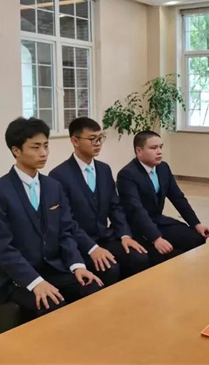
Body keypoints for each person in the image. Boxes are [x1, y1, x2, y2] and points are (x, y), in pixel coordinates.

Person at [0, 117, 103, 318]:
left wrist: (77, 265)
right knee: (52, 303)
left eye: (46, 146)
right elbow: (4, 247)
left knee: (92, 287)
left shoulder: (53, 186)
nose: (44, 153)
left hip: (53, 267)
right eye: (35, 147)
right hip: (18, 277)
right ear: (16, 150)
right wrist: (36, 282)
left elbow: (65, 232)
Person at [49, 117, 152, 285]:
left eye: (100, 138)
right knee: (109, 268)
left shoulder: (104, 169)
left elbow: (115, 207)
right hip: (80, 244)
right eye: (92, 139)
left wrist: (125, 235)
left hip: (106, 238)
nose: (98, 143)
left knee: (139, 257)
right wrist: (92, 248)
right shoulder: (59, 176)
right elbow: (67, 221)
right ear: (75, 141)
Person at [116, 131, 209, 264]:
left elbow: (178, 198)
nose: (159, 152)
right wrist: (156, 238)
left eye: (161, 147)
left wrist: (196, 223)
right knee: (170, 255)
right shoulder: (127, 174)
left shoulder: (163, 168)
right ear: (139, 151)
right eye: (153, 148)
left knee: (197, 238)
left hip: (159, 221)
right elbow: (136, 210)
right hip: (138, 228)